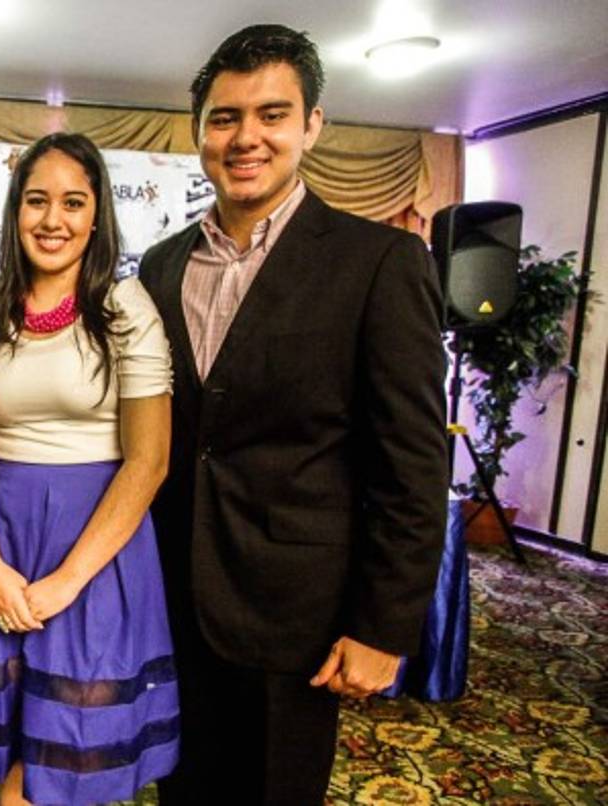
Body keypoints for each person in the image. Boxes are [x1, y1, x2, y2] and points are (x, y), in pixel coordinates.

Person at [137, 25, 449, 805]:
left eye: (271, 115)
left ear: (312, 125)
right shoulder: (163, 264)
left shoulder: (378, 261)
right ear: (200, 131)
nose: (246, 138)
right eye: (225, 117)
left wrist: (383, 628)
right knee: (180, 790)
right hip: (172, 595)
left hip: (295, 611)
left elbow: (412, 464)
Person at [0, 132, 179, 805]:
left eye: (73, 203)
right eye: (37, 201)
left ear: (97, 214)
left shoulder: (126, 310)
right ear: (14, 211)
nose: (53, 220)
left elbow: (150, 461)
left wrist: (64, 583)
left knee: (65, 758)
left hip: (97, 558)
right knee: (17, 748)